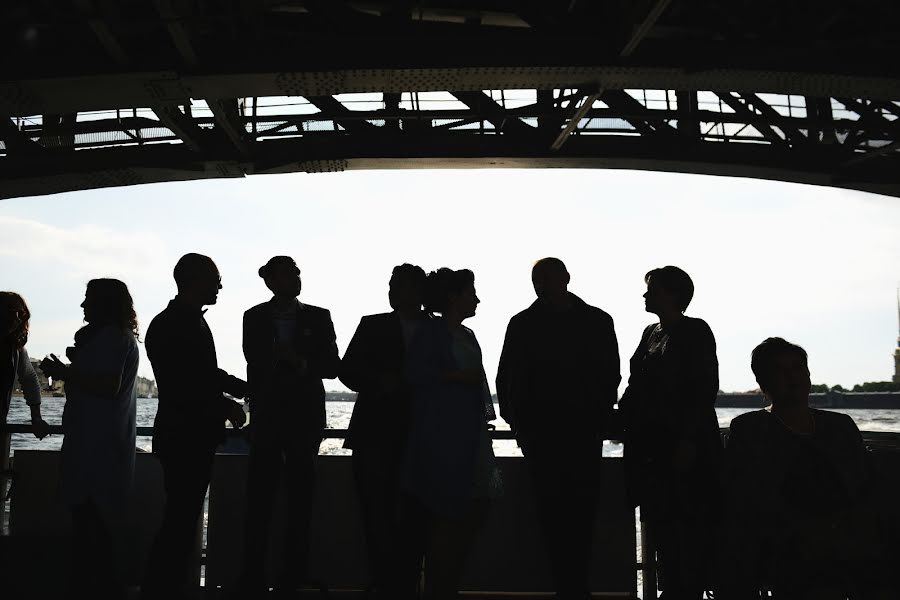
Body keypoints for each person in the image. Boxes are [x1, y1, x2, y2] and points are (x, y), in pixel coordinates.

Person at [718, 338, 888, 599]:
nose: (793, 378)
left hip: (846, 537)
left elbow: (863, 485)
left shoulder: (840, 426)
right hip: (788, 544)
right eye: (781, 372)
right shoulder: (751, 429)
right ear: (764, 383)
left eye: (798, 369)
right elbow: (750, 496)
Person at [496, 258, 620, 600]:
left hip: (568, 436)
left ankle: (570, 586)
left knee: (568, 516)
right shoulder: (594, 321)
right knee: (562, 516)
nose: (541, 283)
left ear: (565, 278)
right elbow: (506, 378)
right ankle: (573, 587)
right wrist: (519, 424)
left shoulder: (525, 324)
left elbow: (507, 378)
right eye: (538, 278)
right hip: (559, 437)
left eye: (545, 277)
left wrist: (518, 423)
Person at [141, 253, 248, 600]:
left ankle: (162, 588)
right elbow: (185, 383)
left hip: (181, 435)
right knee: (180, 523)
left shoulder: (174, 322)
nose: (220, 285)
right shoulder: (181, 324)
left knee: (181, 521)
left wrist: (240, 388)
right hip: (187, 437)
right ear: (195, 280)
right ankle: (161, 590)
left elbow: (195, 376)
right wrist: (227, 402)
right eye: (215, 278)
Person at [238, 256, 340, 592]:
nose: (297, 277)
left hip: (304, 421)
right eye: (290, 273)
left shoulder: (318, 316)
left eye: (297, 272)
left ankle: (291, 577)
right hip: (268, 419)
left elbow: (331, 365)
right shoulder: (253, 317)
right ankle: (255, 577)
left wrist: (298, 361)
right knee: (260, 502)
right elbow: (254, 358)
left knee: (300, 502)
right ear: (272, 280)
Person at [619, 266, 721, 599]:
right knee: (664, 529)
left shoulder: (695, 331)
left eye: (653, 289)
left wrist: (688, 440)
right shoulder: (651, 332)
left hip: (683, 448)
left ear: (674, 294)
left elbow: (703, 389)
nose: (646, 295)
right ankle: (674, 587)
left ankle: (683, 589)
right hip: (654, 451)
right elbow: (636, 387)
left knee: (688, 528)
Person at [403, 268, 501, 600]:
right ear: (453, 297)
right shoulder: (431, 333)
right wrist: (459, 378)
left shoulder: (467, 335)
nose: (476, 298)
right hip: (439, 437)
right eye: (470, 292)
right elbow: (417, 376)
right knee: (444, 518)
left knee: (468, 516)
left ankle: (446, 587)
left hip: (468, 437)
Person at [40, 279, 140, 599]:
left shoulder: (111, 338)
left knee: (90, 527)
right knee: (97, 527)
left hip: (96, 446)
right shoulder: (120, 338)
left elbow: (106, 385)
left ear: (103, 305)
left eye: (88, 300)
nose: (83, 306)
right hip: (104, 444)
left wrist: (65, 371)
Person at [340, 263, 429, 599]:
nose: (392, 291)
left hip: (415, 438)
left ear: (418, 291)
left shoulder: (432, 329)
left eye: (399, 285)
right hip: (378, 437)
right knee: (377, 516)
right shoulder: (373, 325)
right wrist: (380, 380)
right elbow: (346, 371)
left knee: (413, 519)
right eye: (391, 285)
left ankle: (402, 584)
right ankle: (388, 583)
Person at [0, 291, 50, 439]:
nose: (15, 318)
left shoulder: (15, 350)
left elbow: (29, 378)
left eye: (20, 314)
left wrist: (36, 418)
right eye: (9, 311)